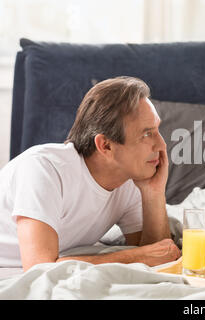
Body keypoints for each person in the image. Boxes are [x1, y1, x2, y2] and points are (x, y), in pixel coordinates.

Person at [0, 76, 181, 271]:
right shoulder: (43, 169)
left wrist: (153, 193)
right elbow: (39, 268)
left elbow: (160, 254)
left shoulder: (128, 178)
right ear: (106, 146)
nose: (162, 145)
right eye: (147, 134)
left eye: (157, 130)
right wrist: (137, 257)